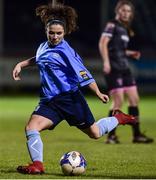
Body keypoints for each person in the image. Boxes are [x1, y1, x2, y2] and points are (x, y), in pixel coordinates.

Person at [12, 2, 136, 174]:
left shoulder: (66, 52)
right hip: (49, 102)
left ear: (64, 33)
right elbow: (39, 58)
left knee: (95, 133)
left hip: (70, 99)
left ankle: (119, 118)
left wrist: (98, 92)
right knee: (31, 128)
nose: (55, 37)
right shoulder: (43, 46)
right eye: (51, 33)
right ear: (46, 32)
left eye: (59, 33)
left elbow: (84, 74)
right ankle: (37, 165)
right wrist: (22, 64)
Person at [99, 0, 153, 144]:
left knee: (134, 99)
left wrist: (130, 53)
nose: (126, 13)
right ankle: (111, 136)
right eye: (123, 10)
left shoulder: (125, 29)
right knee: (118, 101)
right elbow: (103, 43)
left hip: (125, 68)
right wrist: (106, 62)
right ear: (117, 11)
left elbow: (118, 49)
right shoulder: (112, 25)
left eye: (128, 11)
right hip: (114, 68)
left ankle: (137, 135)